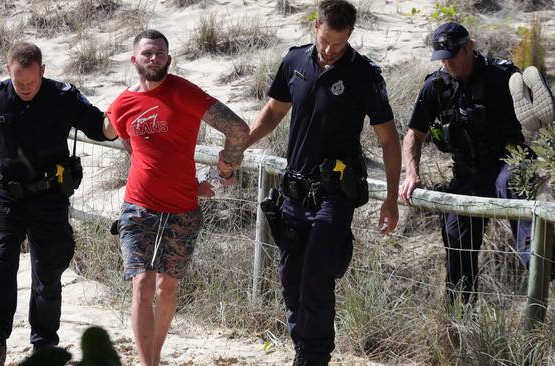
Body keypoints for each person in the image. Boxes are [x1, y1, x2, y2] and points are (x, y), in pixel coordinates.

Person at [245, 1, 401, 364]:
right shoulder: (294, 61)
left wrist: (391, 198)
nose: (331, 50)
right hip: (293, 191)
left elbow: (389, 139)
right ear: (315, 26)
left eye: (340, 43)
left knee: (317, 272)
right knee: (290, 276)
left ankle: (314, 356)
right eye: (326, 40)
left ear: (350, 36)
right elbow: (272, 113)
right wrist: (239, 145)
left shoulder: (364, 75)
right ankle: (304, 348)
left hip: (335, 192)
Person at [0, 42, 118, 365]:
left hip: (50, 196)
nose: (25, 89)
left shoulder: (63, 97)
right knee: (0, 261)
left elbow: (101, 129)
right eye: (19, 83)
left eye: (31, 82)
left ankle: (43, 345)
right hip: (7, 196)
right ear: (8, 72)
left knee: (47, 272)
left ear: (43, 71)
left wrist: (124, 109)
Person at [106, 29, 249, 366]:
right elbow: (131, 147)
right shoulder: (122, 103)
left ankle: (152, 359)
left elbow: (238, 129)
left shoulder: (184, 92)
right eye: (147, 53)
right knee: (141, 283)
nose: (153, 58)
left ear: (168, 59)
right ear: (134, 60)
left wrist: (225, 168)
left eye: (159, 53)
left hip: (183, 209)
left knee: (166, 290)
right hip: (138, 207)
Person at [399, 22, 532, 304]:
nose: (448, 63)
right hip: (468, 175)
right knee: (457, 243)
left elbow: (535, 116)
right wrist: (411, 174)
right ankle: (460, 317)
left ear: (469, 47)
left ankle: (539, 262)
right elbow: (413, 134)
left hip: (507, 164)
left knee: (511, 183)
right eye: (442, 58)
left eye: (453, 55)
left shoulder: (503, 76)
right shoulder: (436, 86)